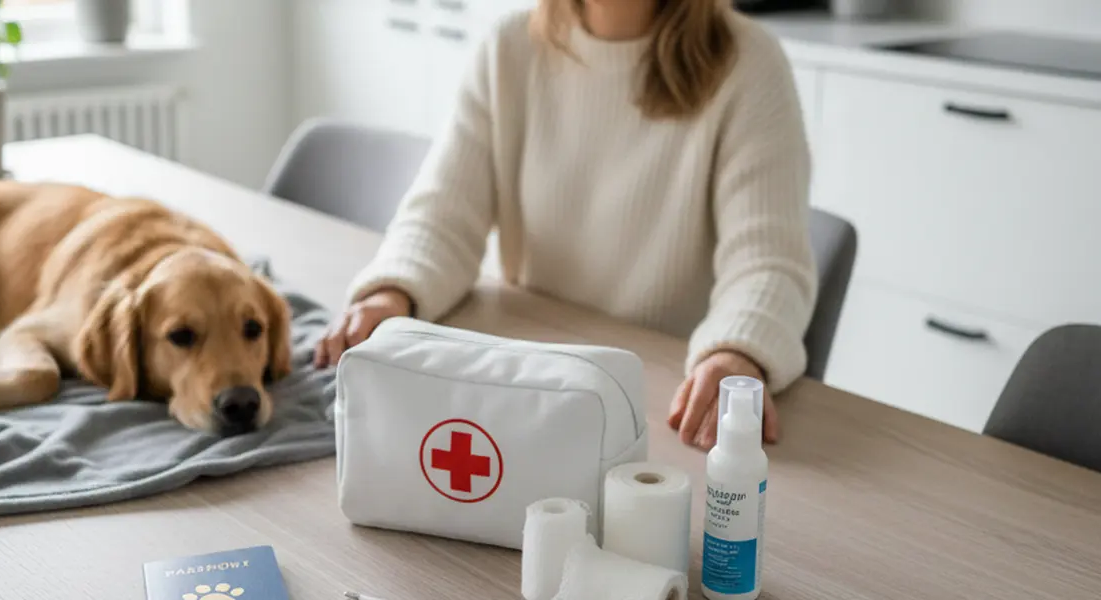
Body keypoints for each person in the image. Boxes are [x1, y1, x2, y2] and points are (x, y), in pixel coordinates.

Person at [314, 0, 816, 450]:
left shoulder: (749, 62)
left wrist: (735, 351)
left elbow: (769, 264)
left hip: (661, 411)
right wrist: (390, 294)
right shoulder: (509, 47)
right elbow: (442, 216)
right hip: (528, 387)